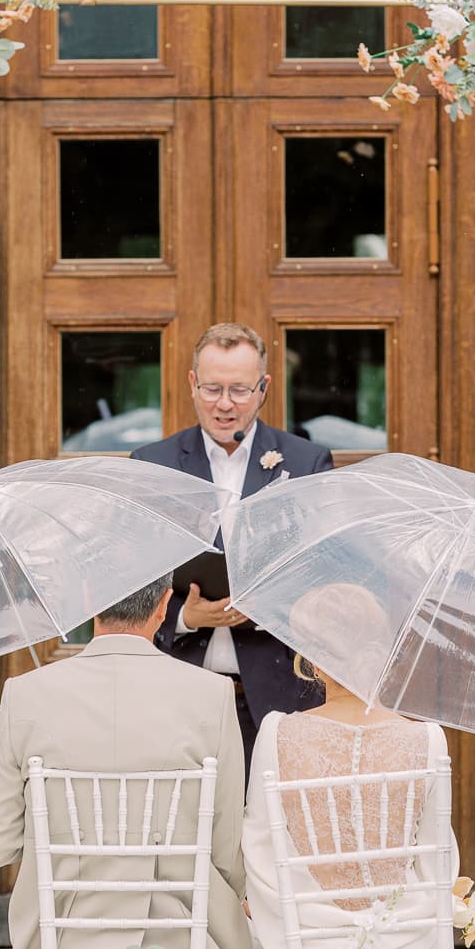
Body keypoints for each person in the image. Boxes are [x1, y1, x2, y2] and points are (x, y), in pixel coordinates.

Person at [0, 573, 257, 949]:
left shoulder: (26, 693)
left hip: (65, 938)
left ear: (86, 601)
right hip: (180, 936)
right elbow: (228, 850)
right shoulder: (210, 694)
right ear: (165, 604)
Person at [130, 322, 332, 763]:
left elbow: (322, 572)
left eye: (239, 390)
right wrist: (185, 616)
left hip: (279, 695)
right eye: (212, 389)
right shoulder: (152, 465)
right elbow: (131, 579)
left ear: (264, 388)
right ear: (191, 383)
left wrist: (266, 607)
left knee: (272, 830)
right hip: (178, 692)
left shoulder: (305, 462)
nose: (224, 405)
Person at [242, 583, 456, 949]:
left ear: (314, 661)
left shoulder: (276, 732)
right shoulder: (428, 739)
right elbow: (439, 863)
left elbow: (260, 848)